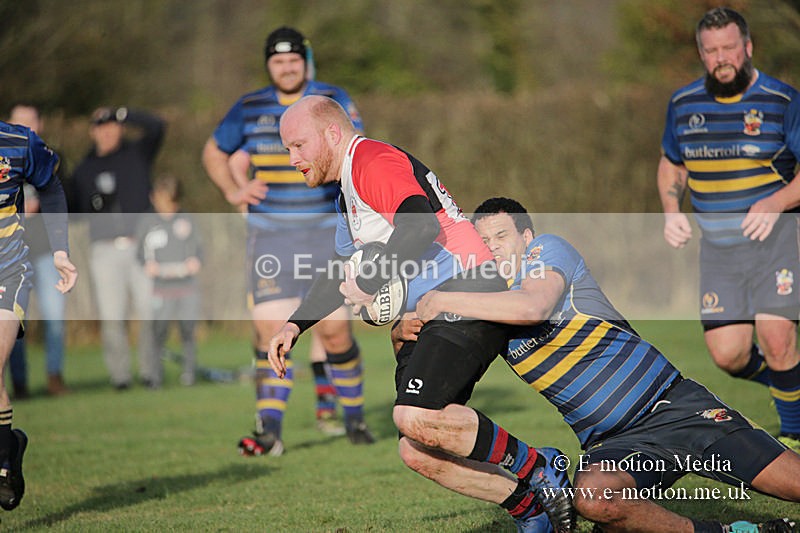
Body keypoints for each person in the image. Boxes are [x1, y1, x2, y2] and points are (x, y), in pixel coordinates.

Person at [268, 95, 575, 532]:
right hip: (429, 314)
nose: (292, 159)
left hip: (470, 289)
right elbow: (342, 271)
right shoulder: (346, 194)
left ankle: (538, 466)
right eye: (287, 150)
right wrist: (295, 324)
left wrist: (372, 282)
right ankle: (532, 511)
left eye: (298, 146)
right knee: (418, 449)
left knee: (415, 415)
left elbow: (420, 225)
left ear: (332, 134)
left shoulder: (371, 160)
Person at [412, 197, 800, 533]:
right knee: (594, 500)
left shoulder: (547, 251)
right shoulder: (480, 305)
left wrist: (443, 301)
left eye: (501, 237)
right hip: (613, 443)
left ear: (526, 239)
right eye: (483, 242)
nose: (493, 249)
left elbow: (534, 306)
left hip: (675, 407)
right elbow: (426, 349)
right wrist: (407, 322)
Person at [202, 26, 373, 455]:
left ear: (305, 60)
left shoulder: (329, 100)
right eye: (278, 61)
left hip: (325, 234)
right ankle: (270, 431)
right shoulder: (250, 106)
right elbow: (213, 152)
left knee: (334, 332)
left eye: (293, 60)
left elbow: (355, 148)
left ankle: (354, 419)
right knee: (268, 331)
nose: (286, 67)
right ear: (268, 65)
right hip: (271, 239)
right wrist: (232, 190)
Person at [656, 7, 800, 450]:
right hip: (719, 253)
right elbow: (671, 164)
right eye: (711, 50)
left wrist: (776, 202)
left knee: (776, 338)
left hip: (778, 243)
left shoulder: (782, 102)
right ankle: (789, 383)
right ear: (701, 54)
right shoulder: (683, 106)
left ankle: (793, 436)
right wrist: (671, 209)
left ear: (748, 48)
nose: (722, 58)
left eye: (730, 48)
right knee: (729, 355)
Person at [0, 119, 78, 510]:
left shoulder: (18, 141)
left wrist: (60, 251)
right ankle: (7, 451)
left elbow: (50, 185)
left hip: (8, 271)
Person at [69, 106, 165, 390]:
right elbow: (72, 210)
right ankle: (120, 377)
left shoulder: (136, 154)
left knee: (149, 313)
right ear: (93, 131)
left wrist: (123, 113)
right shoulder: (84, 170)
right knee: (112, 316)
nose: (108, 131)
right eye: (102, 126)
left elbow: (157, 125)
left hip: (141, 247)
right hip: (104, 250)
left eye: (113, 125)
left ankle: (151, 373)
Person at [6, 104, 68, 398]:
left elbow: (57, 193)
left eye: (32, 121)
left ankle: (55, 376)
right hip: (11, 255)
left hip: (44, 251)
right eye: (22, 121)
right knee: (13, 323)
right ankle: (20, 383)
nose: (28, 126)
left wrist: (61, 250)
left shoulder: (45, 155)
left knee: (55, 318)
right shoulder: (8, 152)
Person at [135, 175, 202, 387]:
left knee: (188, 332)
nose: (168, 208)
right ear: (154, 199)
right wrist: (148, 265)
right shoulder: (147, 222)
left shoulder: (187, 220)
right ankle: (155, 376)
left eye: (172, 203)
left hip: (186, 288)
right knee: (158, 333)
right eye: (163, 202)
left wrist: (196, 261)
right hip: (160, 290)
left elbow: (199, 249)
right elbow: (139, 253)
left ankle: (189, 375)